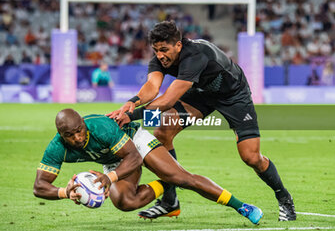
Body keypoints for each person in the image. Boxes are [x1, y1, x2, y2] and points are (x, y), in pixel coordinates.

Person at [107, 21, 296, 221]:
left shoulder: (195, 55)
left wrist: (133, 115)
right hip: (200, 95)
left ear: (178, 45)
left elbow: (168, 100)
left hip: (234, 95)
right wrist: (131, 102)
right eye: (156, 50)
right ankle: (170, 202)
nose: (160, 55)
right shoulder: (159, 59)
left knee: (251, 157)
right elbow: (152, 87)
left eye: (164, 49)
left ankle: (284, 197)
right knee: (162, 132)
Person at [33, 109, 263, 225]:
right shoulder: (57, 147)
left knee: (183, 178)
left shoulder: (100, 127)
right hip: (114, 159)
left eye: (79, 131)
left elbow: (133, 158)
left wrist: (110, 178)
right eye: (69, 135)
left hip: (134, 144)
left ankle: (242, 206)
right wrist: (65, 192)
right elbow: (39, 186)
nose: (76, 138)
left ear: (83, 124)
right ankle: (165, 184)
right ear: (61, 135)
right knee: (124, 202)